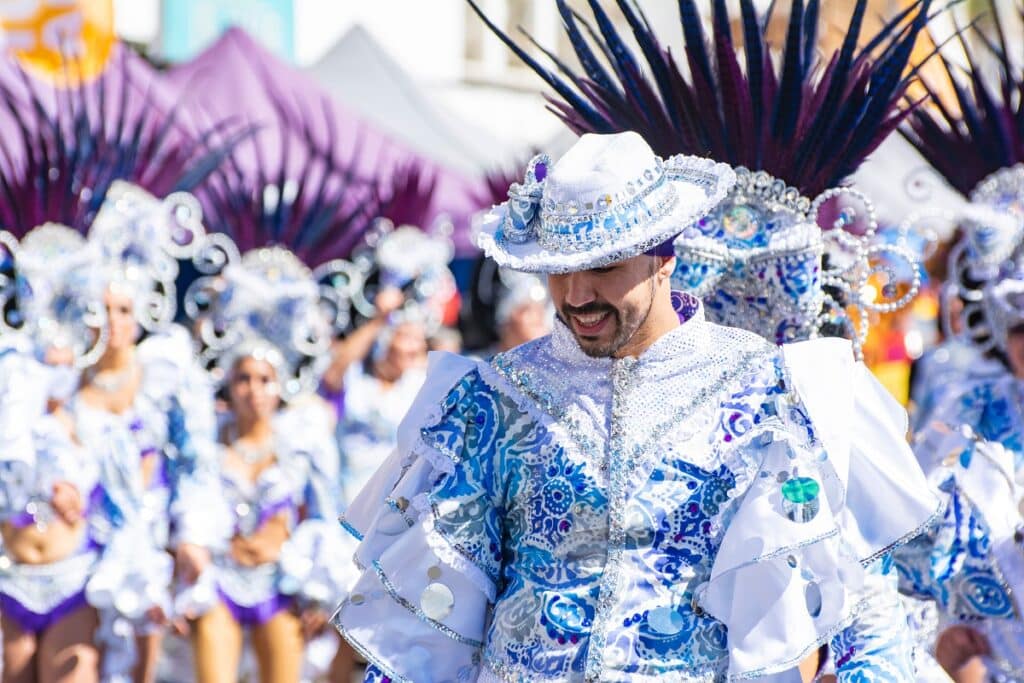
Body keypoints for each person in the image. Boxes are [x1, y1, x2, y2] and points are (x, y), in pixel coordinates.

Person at [332, 131, 940, 682]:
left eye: (603, 267)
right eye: (559, 270)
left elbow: (859, 600)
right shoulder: (495, 396)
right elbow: (429, 618)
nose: (576, 295)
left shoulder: (768, 392)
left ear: (663, 257)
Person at [180, 245, 354, 683]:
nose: (253, 391)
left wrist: (319, 593)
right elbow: (187, 507)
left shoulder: (302, 443)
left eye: (263, 380)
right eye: (243, 379)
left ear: (280, 387)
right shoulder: (208, 444)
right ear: (229, 384)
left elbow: (323, 515)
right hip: (220, 578)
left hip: (280, 585)